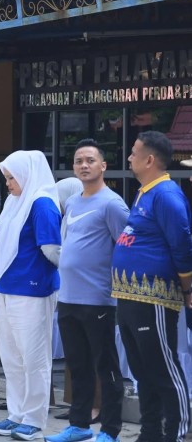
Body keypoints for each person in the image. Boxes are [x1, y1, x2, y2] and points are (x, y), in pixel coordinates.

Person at [112, 131, 192, 442]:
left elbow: (182, 245)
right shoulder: (145, 192)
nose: (128, 157)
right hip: (128, 296)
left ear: (149, 159)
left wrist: (187, 289)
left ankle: (178, 432)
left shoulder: (167, 195)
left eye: (133, 152)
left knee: (163, 369)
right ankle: (150, 433)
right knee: (142, 371)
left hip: (154, 298)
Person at [46, 140, 128, 442]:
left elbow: (126, 249)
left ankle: (110, 430)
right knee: (77, 366)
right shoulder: (74, 202)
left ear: (103, 166)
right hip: (68, 298)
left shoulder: (113, 204)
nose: (84, 165)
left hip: (98, 301)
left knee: (105, 368)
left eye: (90, 160)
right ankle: (79, 425)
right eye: (79, 160)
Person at [0, 150, 61, 441]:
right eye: (6, 178)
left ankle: (34, 419)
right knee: (12, 357)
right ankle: (16, 414)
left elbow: (53, 250)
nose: (8, 183)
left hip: (32, 289)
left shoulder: (41, 203)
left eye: (12, 177)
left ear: (27, 174)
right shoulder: (16, 202)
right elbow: (7, 243)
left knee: (34, 358)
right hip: (6, 287)